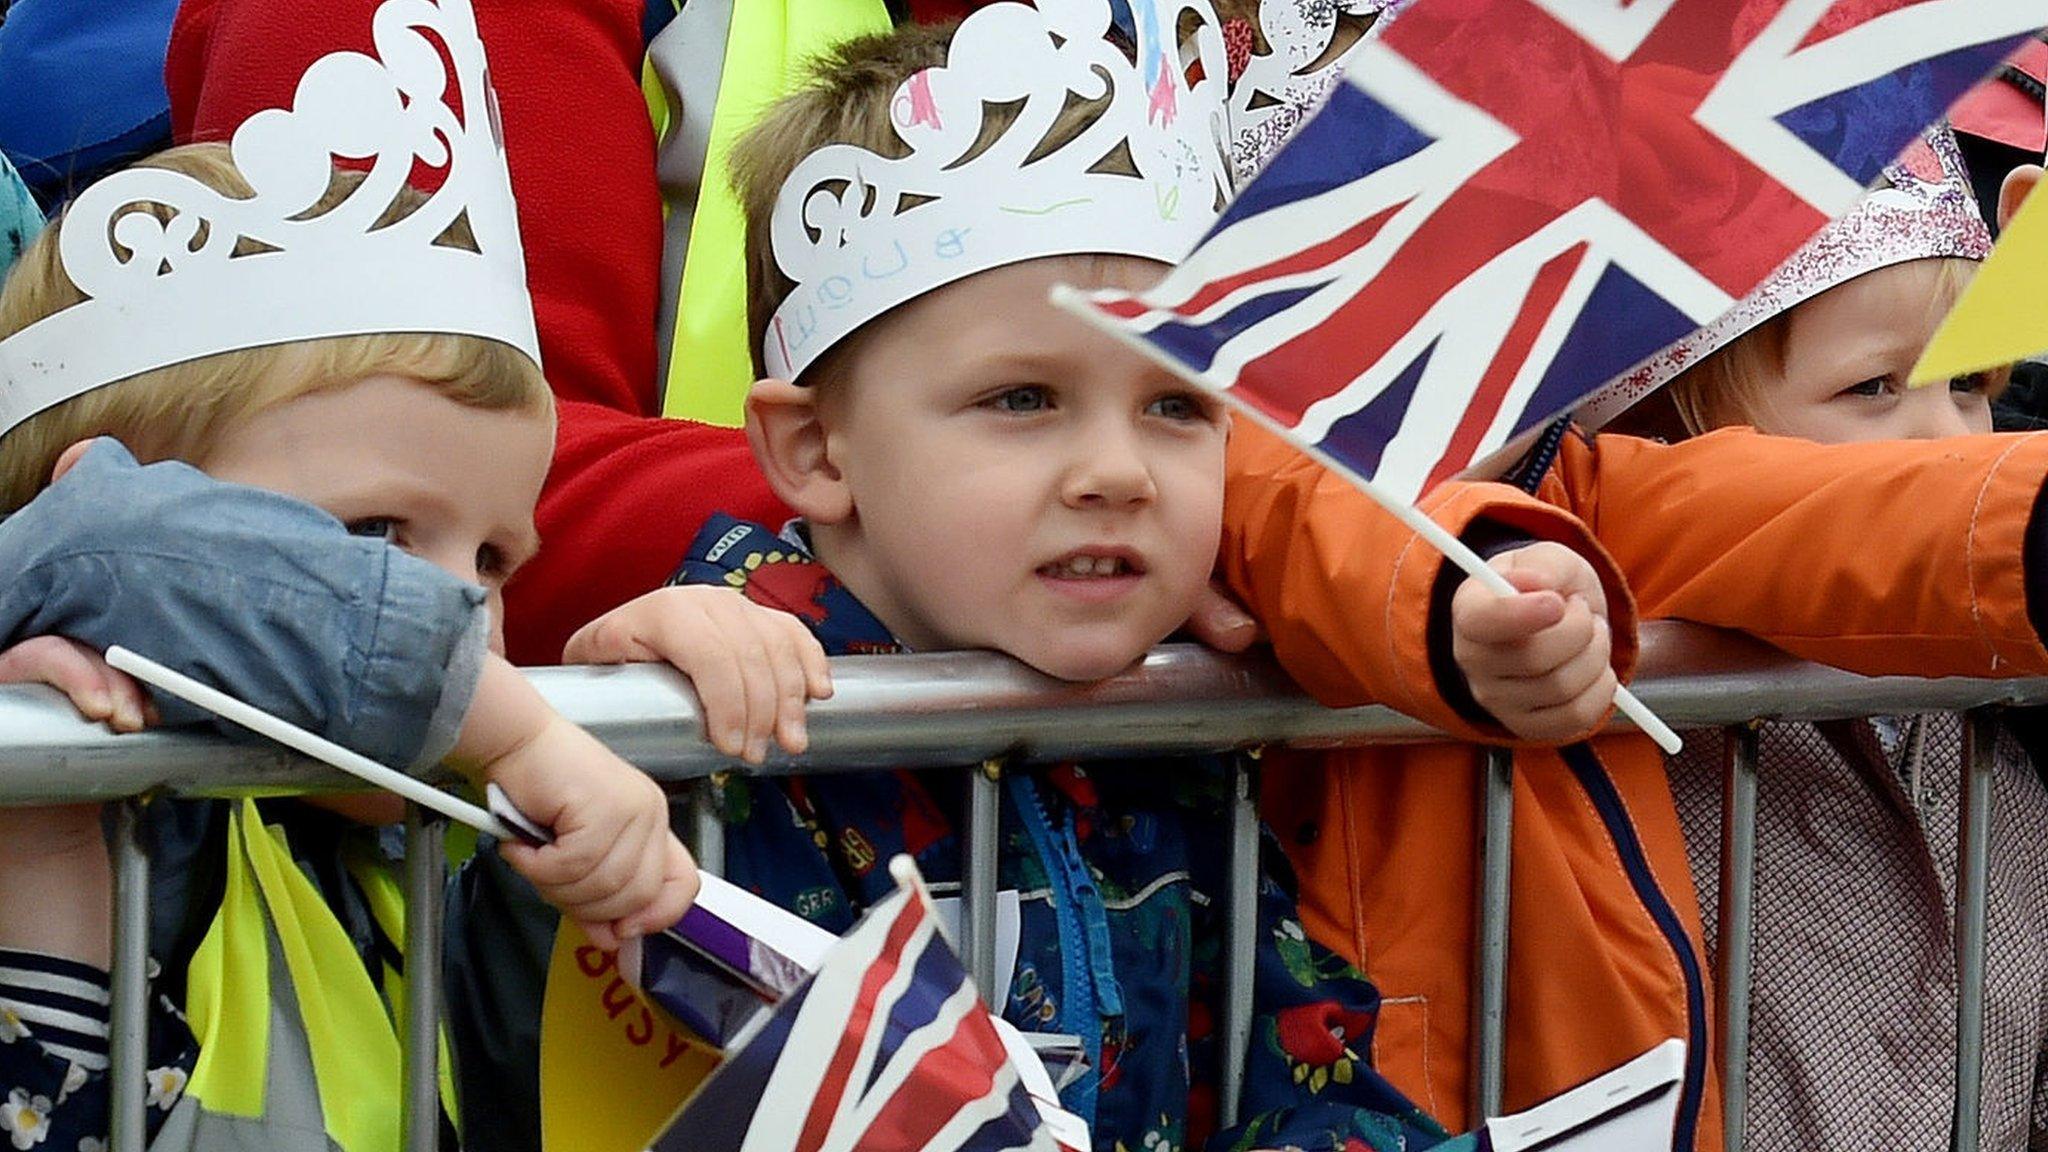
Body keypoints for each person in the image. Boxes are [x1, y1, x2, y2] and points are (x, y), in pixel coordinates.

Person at [568, 8, 1632, 1150]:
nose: (1119, 473)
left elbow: (1288, 1069)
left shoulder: (1174, 725)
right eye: (1022, 399)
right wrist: (615, 729)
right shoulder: (731, 707)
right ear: (816, 452)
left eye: (1176, 405)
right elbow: (570, 1025)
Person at [0, 6, 778, 1134]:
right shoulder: (126, 782)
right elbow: (114, 540)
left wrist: (630, 690)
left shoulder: (414, 827)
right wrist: (516, 729)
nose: (470, 607)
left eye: (496, 559)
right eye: (373, 539)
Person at [1590, 126, 2048, 1151]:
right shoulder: (1636, 744)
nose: (1949, 439)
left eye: (1969, 386)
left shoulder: (2000, 729)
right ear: (1679, 430)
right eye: (1874, 388)